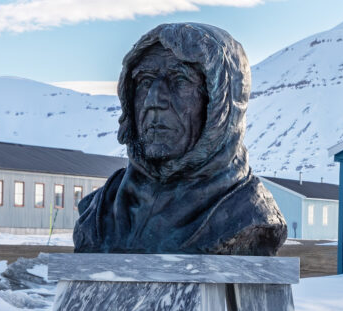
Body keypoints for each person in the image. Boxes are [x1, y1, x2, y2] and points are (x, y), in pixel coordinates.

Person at [74, 22, 287, 255]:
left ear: (221, 105)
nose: (154, 100)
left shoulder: (247, 214)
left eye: (180, 80)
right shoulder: (99, 213)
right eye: (145, 81)